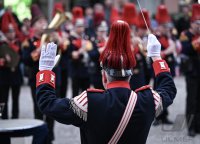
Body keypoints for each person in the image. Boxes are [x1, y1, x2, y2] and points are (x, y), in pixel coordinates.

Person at [36, 20, 176, 144]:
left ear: (104, 76)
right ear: (130, 75)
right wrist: (157, 57)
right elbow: (169, 89)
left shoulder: (88, 102)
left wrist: (45, 71)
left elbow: (47, 104)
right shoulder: (148, 100)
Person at [22, 4, 54, 144]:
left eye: (44, 22)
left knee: (52, 107)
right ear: (33, 26)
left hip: (51, 79)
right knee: (38, 109)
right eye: (40, 22)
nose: (44, 24)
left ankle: (50, 137)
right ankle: (39, 137)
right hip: (35, 78)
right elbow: (26, 60)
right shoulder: (27, 42)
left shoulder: (50, 39)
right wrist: (39, 49)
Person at [153, 5, 176, 125]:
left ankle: (165, 116)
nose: (166, 28)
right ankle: (158, 117)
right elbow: (161, 53)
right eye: (164, 26)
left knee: (167, 91)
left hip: (168, 66)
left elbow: (174, 47)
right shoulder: (156, 38)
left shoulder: (168, 37)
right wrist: (168, 51)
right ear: (159, 27)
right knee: (158, 92)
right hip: (159, 68)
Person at [180, 4, 200, 137]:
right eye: (197, 23)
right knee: (191, 100)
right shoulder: (184, 34)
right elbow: (186, 49)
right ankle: (191, 127)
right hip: (191, 71)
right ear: (191, 23)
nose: (199, 26)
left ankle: (198, 125)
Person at [0, 11, 23, 119]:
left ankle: (15, 119)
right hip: (3, 76)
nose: (11, 33)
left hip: (16, 76)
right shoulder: (1, 44)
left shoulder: (18, 43)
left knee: (15, 100)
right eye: (9, 31)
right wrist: (3, 61)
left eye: (13, 30)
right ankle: (3, 120)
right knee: (2, 100)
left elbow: (23, 57)